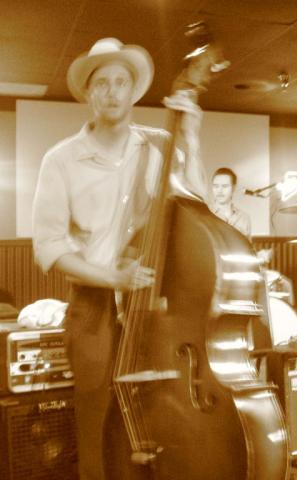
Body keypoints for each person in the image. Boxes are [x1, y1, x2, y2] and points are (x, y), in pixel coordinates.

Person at [31, 37, 207, 480]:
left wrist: (191, 137)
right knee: (96, 425)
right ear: (88, 93)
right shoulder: (61, 159)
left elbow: (199, 204)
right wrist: (112, 278)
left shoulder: (159, 146)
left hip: (155, 308)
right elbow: (48, 247)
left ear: (133, 91)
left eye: (121, 82)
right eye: (102, 83)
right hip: (93, 309)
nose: (112, 92)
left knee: (160, 420)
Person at [207, 166, 251, 237]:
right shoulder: (205, 214)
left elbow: (247, 244)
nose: (219, 191)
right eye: (216, 186)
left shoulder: (244, 218)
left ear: (234, 188)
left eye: (224, 186)